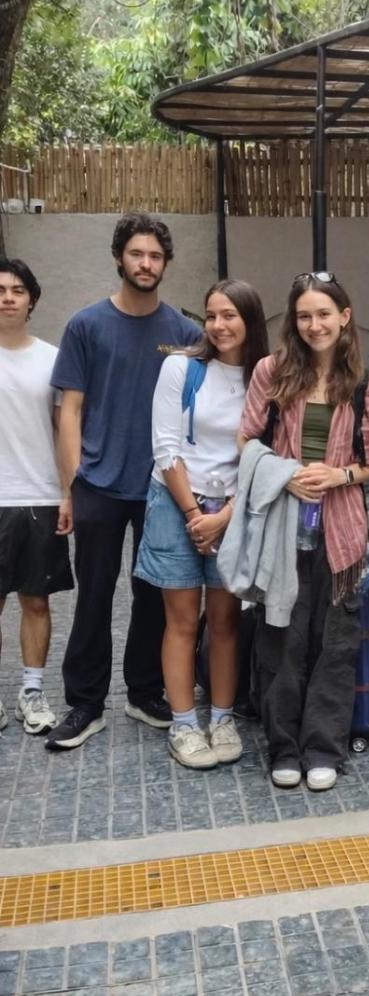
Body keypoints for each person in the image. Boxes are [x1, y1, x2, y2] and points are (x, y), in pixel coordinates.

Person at [46, 212, 201, 751]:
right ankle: (85, 704)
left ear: (165, 263)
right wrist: (71, 485)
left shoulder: (184, 333)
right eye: (137, 253)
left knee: (154, 597)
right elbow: (69, 410)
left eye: (155, 256)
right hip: (98, 485)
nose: (146, 263)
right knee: (93, 596)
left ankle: (144, 691)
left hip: (161, 488)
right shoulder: (86, 326)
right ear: (119, 257)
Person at [238, 272, 369, 791]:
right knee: (280, 639)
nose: (314, 324)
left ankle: (324, 748)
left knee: (335, 644)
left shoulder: (366, 384)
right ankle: (283, 747)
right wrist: (286, 476)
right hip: (282, 528)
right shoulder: (271, 371)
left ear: (344, 317)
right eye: (304, 315)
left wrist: (338, 475)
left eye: (324, 314)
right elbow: (247, 441)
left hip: (341, 534)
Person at [134, 280, 269, 770]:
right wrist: (195, 515)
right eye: (211, 315)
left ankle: (224, 717)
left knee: (226, 620)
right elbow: (166, 446)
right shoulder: (181, 367)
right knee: (183, 621)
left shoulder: (265, 376)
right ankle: (185, 724)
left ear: (250, 320)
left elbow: (265, 452)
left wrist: (226, 514)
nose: (218, 325)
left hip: (234, 507)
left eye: (229, 315)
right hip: (177, 502)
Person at [0, 258, 73, 735]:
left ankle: (31, 691)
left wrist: (68, 493)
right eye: (0, 290)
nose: (7, 298)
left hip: (39, 495)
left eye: (17, 290)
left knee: (36, 601)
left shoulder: (52, 359)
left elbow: (63, 430)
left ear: (31, 300)